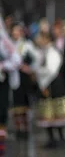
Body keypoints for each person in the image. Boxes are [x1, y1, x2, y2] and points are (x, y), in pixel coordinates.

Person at [34, 32, 65, 148]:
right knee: (47, 113)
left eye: (40, 37)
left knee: (57, 113)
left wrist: (38, 71)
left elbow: (51, 70)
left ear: (47, 39)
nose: (38, 39)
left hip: (54, 85)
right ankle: (52, 138)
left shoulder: (53, 52)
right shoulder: (43, 51)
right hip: (46, 85)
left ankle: (60, 138)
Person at [10, 22, 40, 139]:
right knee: (16, 104)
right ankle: (18, 129)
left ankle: (26, 128)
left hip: (25, 78)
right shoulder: (10, 45)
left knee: (25, 104)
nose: (15, 34)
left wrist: (29, 68)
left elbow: (36, 59)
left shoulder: (27, 45)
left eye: (17, 31)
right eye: (14, 32)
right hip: (14, 77)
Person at [0, 14, 21, 156]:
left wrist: (2, 66)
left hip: (1, 83)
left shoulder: (3, 41)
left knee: (1, 112)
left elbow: (16, 60)